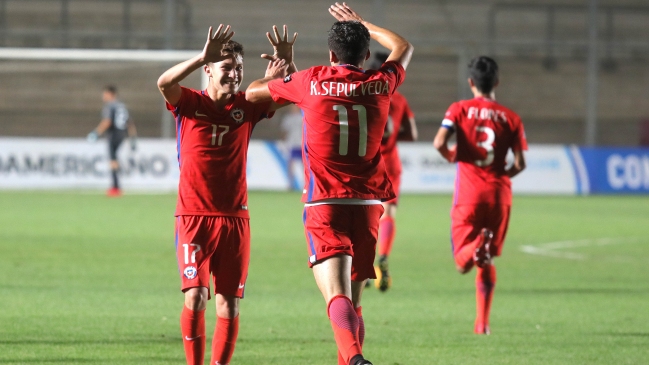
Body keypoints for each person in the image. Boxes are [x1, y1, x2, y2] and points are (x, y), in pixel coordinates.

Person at [246, 3, 413, 364]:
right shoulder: (380, 83)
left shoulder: (311, 80)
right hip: (369, 206)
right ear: (367, 55)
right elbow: (403, 47)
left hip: (325, 204)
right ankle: (353, 358)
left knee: (336, 297)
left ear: (331, 54)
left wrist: (278, 70)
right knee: (354, 302)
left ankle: (355, 361)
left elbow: (252, 94)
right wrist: (360, 22)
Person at [156, 24, 296, 365]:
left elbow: (294, 93)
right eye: (226, 67)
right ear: (208, 69)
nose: (234, 74)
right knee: (196, 297)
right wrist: (201, 55)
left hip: (235, 218)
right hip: (193, 216)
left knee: (228, 304)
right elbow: (164, 83)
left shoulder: (248, 105)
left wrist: (288, 67)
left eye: (239, 69)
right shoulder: (189, 103)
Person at [433, 56, 527, 335]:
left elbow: (439, 141)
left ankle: (476, 248)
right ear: (496, 82)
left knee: (464, 263)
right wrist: (500, 179)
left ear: (471, 82)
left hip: (469, 194)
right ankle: (482, 323)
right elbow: (520, 164)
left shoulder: (459, 109)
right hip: (499, 196)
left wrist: (452, 156)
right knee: (487, 261)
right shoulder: (511, 117)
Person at [367, 52, 418, 292]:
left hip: (367, 161)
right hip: (391, 162)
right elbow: (413, 134)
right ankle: (384, 257)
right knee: (389, 214)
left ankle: (364, 266)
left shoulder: (362, 93)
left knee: (365, 216)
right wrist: (395, 135)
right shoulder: (399, 99)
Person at [87, 85, 137, 197]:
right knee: (114, 159)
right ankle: (116, 185)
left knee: (112, 160)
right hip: (122, 134)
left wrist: (96, 133)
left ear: (111, 94)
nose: (103, 97)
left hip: (113, 134)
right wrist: (133, 138)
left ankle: (115, 187)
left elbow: (107, 121)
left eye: (105, 94)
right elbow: (130, 123)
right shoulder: (122, 106)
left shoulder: (110, 106)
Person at [280, 103, 303, 190]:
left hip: (301, 143)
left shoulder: (302, 117)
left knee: (303, 164)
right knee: (290, 164)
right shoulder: (288, 118)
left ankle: (305, 183)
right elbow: (284, 131)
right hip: (292, 144)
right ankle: (290, 183)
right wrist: (284, 141)